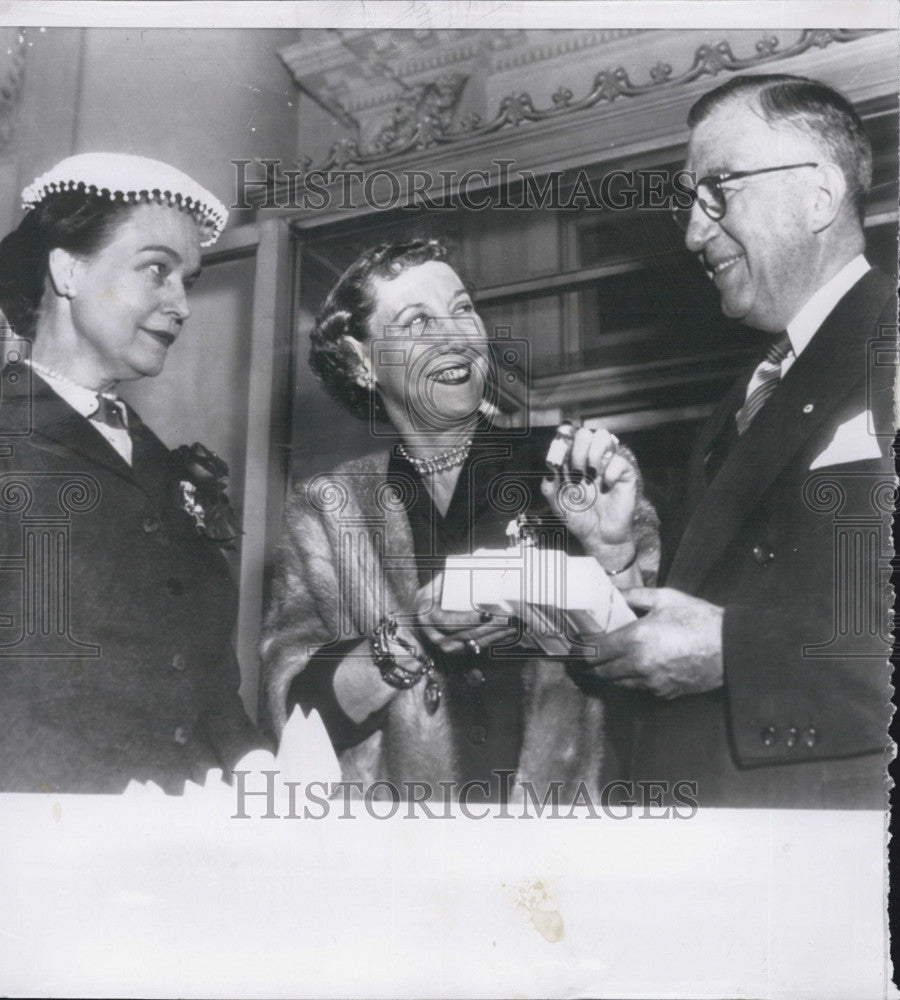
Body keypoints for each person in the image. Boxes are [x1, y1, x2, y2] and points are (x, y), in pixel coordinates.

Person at [582, 74, 899, 808]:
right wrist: (619, 559)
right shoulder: (745, 398)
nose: (694, 232)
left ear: (817, 195)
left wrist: (734, 653)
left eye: (719, 189)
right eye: (690, 201)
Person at [259, 239, 660, 803]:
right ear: (361, 360)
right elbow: (293, 715)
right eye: (417, 320)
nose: (456, 336)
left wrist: (615, 555)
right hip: (399, 853)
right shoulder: (329, 508)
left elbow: (661, 685)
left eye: (463, 308)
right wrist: (411, 635)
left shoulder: (575, 469)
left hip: (562, 847)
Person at [0, 152, 266, 793]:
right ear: (68, 270)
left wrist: (256, 768)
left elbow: (207, 679)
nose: (182, 304)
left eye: (186, 279)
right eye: (157, 270)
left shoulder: (161, 466)